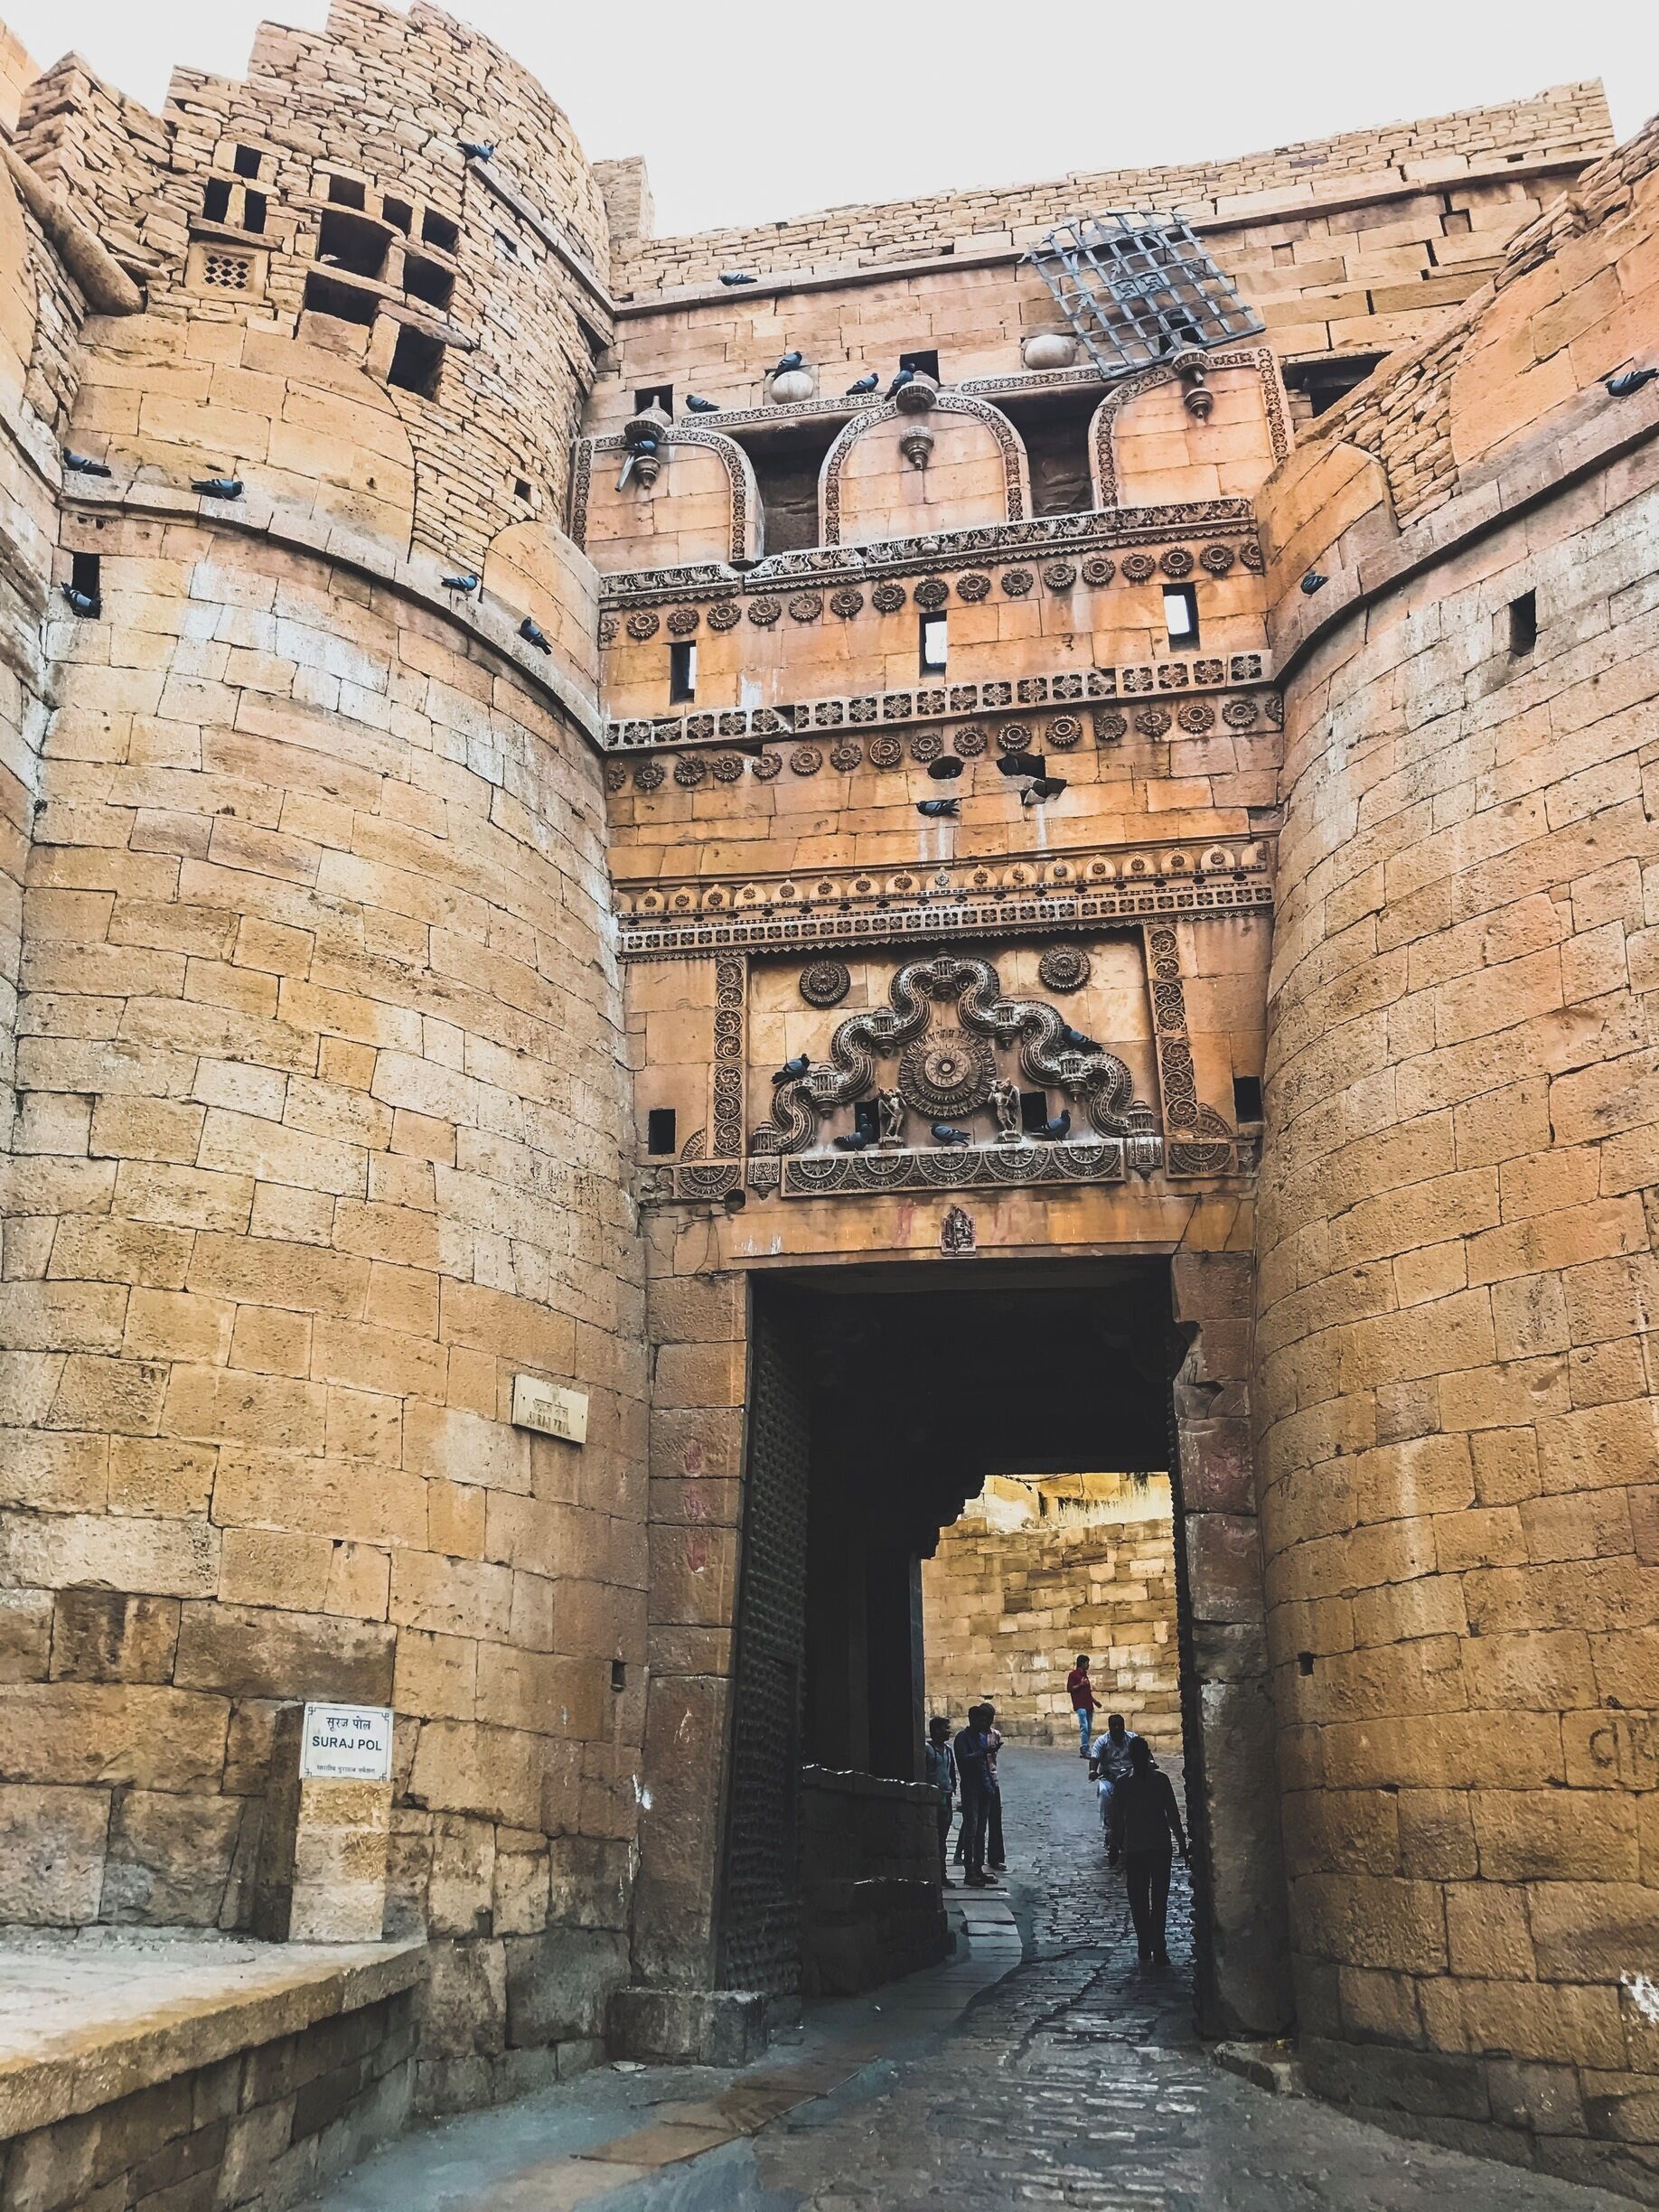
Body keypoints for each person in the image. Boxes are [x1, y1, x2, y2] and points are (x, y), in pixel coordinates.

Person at [1107, 1736, 1187, 1965]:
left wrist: (1114, 1844)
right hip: (1150, 1846)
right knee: (1149, 1897)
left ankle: (1150, 1942)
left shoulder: (1125, 1783)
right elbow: (1171, 1814)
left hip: (1143, 1847)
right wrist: (1181, 1841)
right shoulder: (1158, 1781)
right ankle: (1151, 1942)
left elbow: (1116, 1819)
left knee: (1145, 1898)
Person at [953, 1706, 995, 1887]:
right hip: (970, 1787)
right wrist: (982, 1753)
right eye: (981, 1720)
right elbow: (963, 1760)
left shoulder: (980, 1737)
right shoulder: (963, 1738)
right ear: (972, 1719)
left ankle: (978, 1867)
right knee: (971, 1829)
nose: (984, 1723)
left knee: (980, 1831)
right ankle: (969, 1870)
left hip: (984, 1787)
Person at [1090, 1711, 1142, 1844]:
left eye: (1120, 1725)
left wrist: (1150, 1763)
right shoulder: (1102, 1741)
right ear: (1109, 1726)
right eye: (1114, 1725)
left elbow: (1144, 1751)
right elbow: (1095, 1757)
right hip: (1110, 1777)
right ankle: (1108, 1824)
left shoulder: (1133, 1738)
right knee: (1103, 1792)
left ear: (1124, 1725)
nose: (1117, 1728)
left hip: (1131, 1777)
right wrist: (1092, 1771)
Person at [923, 1715, 958, 1886]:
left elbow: (951, 1772)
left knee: (942, 1839)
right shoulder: (927, 1750)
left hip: (946, 1797)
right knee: (934, 1838)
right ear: (937, 1730)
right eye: (946, 1728)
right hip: (933, 1798)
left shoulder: (948, 1750)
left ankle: (941, 1874)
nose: (949, 1731)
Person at [981, 1701, 1006, 1872]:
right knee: (976, 1821)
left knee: (995, 1819)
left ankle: (995, 1857)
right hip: (978, 1781)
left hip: (992, 1778)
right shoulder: (972, 1736)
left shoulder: (995, 1735)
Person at [1065, 1654, 1096, 1757]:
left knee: (1089, 1727)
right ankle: (1084, 1748)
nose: (1088, 1665)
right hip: (1080, 1705)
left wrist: (1095, 1701)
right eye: (1087, 1663)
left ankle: (1086, 1747)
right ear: (1082, 1663)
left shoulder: (1084, 1675)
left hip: (1088, 1705)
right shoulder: (1073, 1675)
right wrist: (1080, 1685)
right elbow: (1069, 1689)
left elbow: (1087, 1692)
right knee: (1085, 1727)